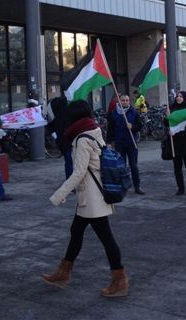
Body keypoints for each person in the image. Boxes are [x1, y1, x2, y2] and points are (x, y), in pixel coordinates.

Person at [43, 100, 128, 297]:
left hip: (91, 197)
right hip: (91, 195)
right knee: (76, 231)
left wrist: (59, 195)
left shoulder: (82, 139)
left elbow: (78, 172)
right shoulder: (94, 131)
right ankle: (63, 272)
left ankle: (119, 280)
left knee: (106, 238)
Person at [107, 94, 144, 194]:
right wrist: (109, 142)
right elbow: (110, 129)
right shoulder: (114, 113)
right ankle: (122, 186)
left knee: (133, 166)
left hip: (131, 143)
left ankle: (137, 186)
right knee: (121, 166)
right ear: (119, 101)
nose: (125, 102)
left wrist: (132, 126)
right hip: (119, 143)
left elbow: (140, 126)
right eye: (123, 100)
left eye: (127, 100)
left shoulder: (134, 112)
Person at [168, 91, 186, 196]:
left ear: (185, 98)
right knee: (177, 167)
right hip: (175, 142)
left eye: (181, 96)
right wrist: (166, 117)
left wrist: (182, 132)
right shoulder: (171, 109)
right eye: (177, 96)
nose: (178, 98)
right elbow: (167, 124)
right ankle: (180, 188)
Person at [47, 96, 72, 179]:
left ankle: (69, 180)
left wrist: (56, 136)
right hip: (70, 139)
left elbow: (50, 127)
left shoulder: (55, 114)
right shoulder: (68, 113)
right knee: (72, 160)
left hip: (61, 140)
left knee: (68, 160)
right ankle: (72, 181)